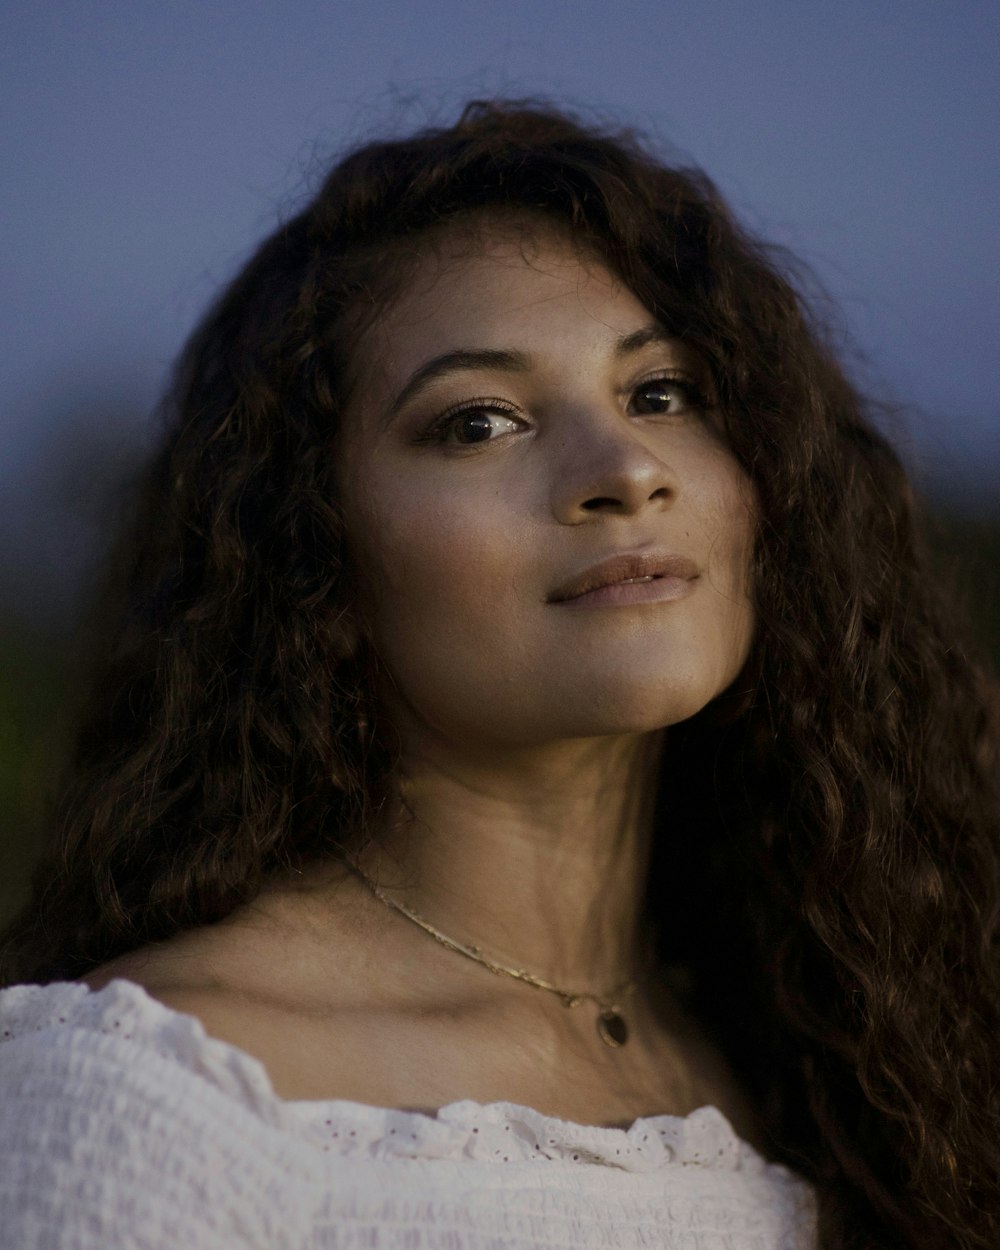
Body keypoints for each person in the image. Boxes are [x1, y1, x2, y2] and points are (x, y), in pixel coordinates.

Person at [0, 100, 996, 1250]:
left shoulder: (859, 1045)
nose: (623, 467)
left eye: (662, 392)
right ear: (312, 546)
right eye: (480, 421)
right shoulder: (146, 1099)